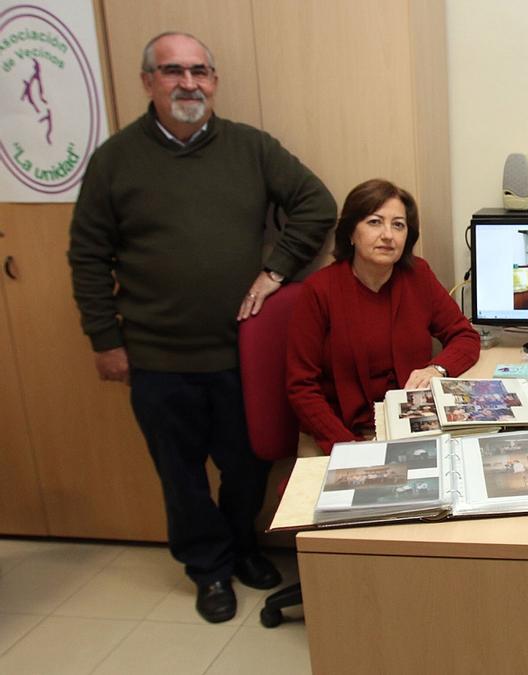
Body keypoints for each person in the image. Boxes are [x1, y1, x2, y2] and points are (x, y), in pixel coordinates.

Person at [67, 32, 336, 623]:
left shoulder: (250, 148)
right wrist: (104, 341)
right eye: (172, 71)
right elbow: (87, 256)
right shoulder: (115, 160)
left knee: (248, 463)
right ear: (148, 82)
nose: (188, 83)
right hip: (156, 356)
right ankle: (208, 570)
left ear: (214, 80)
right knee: (180, 474)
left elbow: (317, 204)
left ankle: (242, 548)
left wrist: (276, 269)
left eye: (200, 71)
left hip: (238, 353)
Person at [287, 179, 481, 453]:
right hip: (340, 433)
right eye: (375, 222)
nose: (388, 235)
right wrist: (351, 449)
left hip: (413, 428)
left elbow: (464, 336)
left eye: (398, 225)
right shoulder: (319, 291)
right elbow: (301, 388)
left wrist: (437, 369)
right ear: (351, 233)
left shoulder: (418, 276)